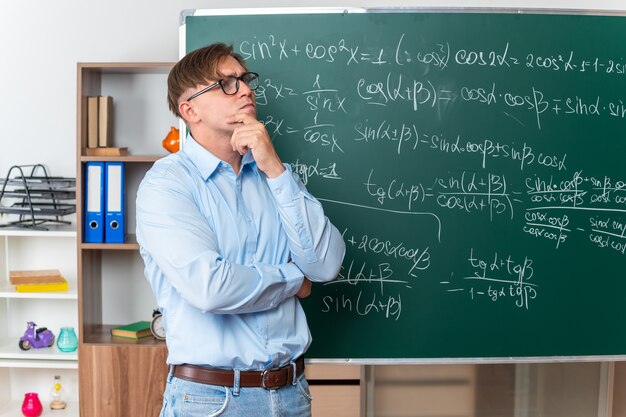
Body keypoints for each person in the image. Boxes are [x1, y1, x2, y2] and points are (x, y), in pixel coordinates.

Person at [136, 42, 346, 417]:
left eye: (245, 80)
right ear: (190, 110)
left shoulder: (275, 176)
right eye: (226, 83)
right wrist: (291, 281)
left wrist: (277, 170)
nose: (246, 89)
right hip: (211, 400)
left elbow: (325, 265)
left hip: (292, 394)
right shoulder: (166, 184)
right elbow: (211, 287)